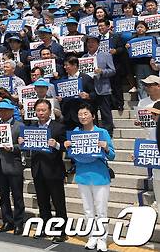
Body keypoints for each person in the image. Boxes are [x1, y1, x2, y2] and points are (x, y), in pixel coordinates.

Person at [64, 104, 115, 252]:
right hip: (82, 175)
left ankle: (102, 238)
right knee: (88, 210)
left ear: (93, 116)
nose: (83, 117)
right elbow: (72, 154)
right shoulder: (75, 132)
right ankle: (92, 236)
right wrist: (67, 146)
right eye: (80, 114)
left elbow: (112, 155)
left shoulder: (102, 132)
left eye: (86, 114)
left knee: (101, 209)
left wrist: (105, 146)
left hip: (100, 175)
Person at [18, 99, 68, 242]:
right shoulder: (31, 127)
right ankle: (45, 227)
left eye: (43, 110)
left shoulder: (58, 127)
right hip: (38, 170)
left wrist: (57, 145)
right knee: (42, 202)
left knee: (58, 202)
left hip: (54, 170)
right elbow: (28, 148)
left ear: (50, 111)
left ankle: (61, 231)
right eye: (38, 110)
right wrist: (22, 143)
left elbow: (67, 146)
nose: (41, 113)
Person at [0, 100, 25, 235]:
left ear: (11, 111)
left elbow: (23, 145)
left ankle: (18, 223)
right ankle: (7, 221)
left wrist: (13, 148)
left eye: (4, 110)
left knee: (17, 196)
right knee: (3, 196)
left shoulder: (19, 125)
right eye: (0, 110)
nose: (2, 113)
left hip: (13, 165)